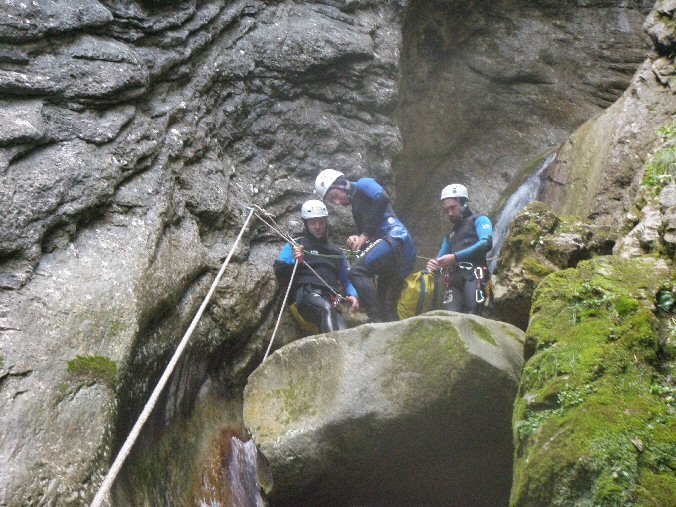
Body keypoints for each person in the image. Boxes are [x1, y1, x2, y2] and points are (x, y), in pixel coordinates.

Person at [315, 169, 416, 322]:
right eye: (332, 201)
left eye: (335, 196)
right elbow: (369, 236)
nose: (337, 202)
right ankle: (388, 330)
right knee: (386, 306)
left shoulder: (363, 184)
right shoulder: (356, 208)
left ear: (341, 183)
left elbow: (382, 198)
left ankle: (375, 320)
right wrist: (358, 239)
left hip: (395, 238)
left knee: (355, 271)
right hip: (396, 252)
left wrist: (364, 235)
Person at [274, 199, 360, 333]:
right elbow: (279, 269)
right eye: (313, 222)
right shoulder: (297, 245)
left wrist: (353, 294)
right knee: (325, 309)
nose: (318, 226)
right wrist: (296, 261)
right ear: (306, 223)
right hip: (306, 296)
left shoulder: (336, 252)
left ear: (326, 222)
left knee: (344, 332)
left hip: (331, 301)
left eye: (321, 222)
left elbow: (347, 279)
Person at [426, 184, 493, 315]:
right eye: (446, 210)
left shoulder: (479, 220)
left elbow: (486, 243)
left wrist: (455, 257)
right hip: (454, 281)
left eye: (453, 208)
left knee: (472, 312)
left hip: (474, 275)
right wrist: (432, 265)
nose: (450, 213)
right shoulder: (451, 235)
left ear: (464, 203)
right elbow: (438, 261)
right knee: (449, 316)